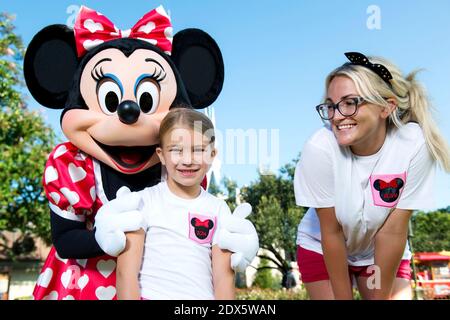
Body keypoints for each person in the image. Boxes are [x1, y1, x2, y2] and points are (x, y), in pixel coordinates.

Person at [294, 52, 450, 300]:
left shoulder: (414, 144)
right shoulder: (320, 148)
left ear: (386, 107)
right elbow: (331, 232)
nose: (336, 116)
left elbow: (393, 231)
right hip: (322, 245)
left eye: (349, 102)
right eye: (332, 105)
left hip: (379, 249)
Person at [116, 108, 235, 300]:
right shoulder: (143, 201)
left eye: (198, 150)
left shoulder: (219, 210)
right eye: (176, 150)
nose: (187, 160)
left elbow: (224, 279)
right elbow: (125, 274)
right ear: (161, 155)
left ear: (212, 154)